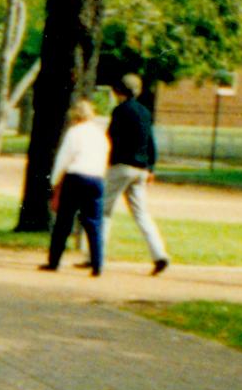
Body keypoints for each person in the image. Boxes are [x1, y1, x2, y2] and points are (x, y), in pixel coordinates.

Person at [105, 75, 171, 274]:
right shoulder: (144, 111)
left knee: (103, 211)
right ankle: (159, 254)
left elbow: (111, 137)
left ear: (119, 91)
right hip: (141, 169)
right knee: (141, 214)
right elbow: (150, 141)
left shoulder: (120, 111)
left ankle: (94, 255)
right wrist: (151, 167)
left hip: (121, 166)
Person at [39, 96, 109, 275]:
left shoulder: (74, 132)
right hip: (96, 178)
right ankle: (97, 263)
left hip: (76, 177)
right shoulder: (100, 134)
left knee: (64, 221)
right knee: (93, 223)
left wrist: (54, 182)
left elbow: (63, 159)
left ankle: (54, 261)